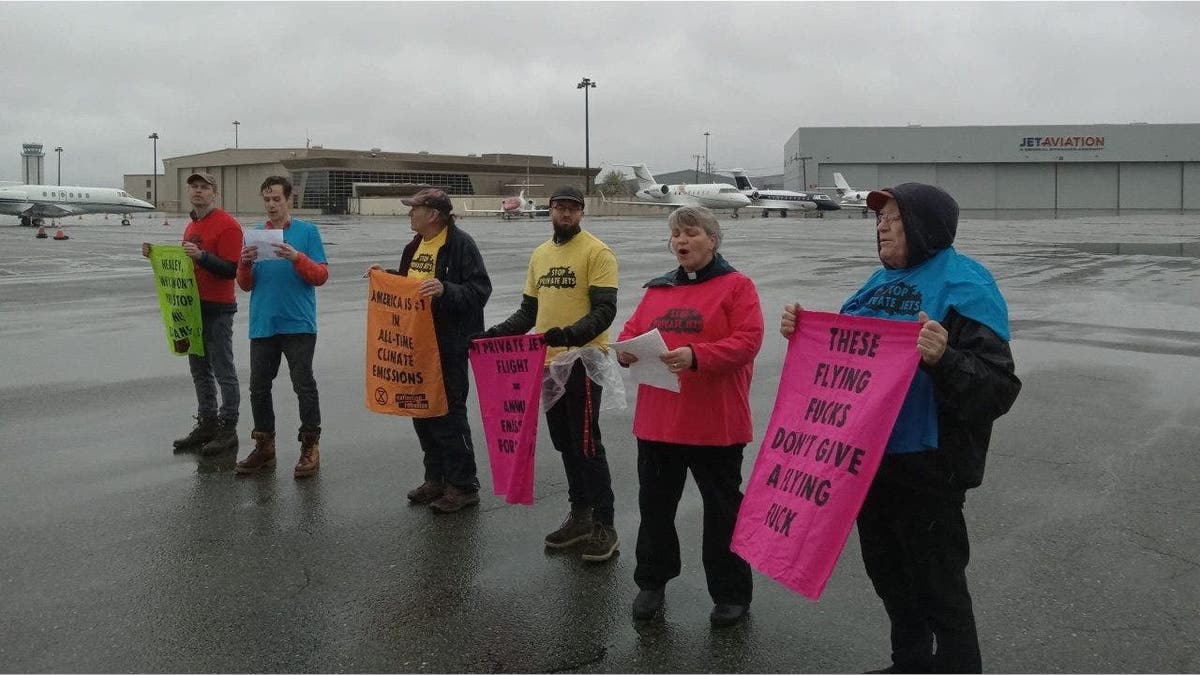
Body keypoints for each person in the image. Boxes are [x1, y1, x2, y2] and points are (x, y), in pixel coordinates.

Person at [780, 183, 1021, 673]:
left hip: (930, 466)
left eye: (893, 217)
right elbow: (848, 360)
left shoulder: (965, 284)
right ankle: (909, 662)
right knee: (889, 575)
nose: (881, 227)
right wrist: (804, 333)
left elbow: (998, 388)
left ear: (925, 225)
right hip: (867, 462)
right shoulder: (874, 283)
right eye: (878, 219)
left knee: (940, 586)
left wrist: (945, 358)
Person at [614, 206, 763, 628]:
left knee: (722, 514)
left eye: (691, 233)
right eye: (675, 234)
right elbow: (633, 331)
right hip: (659, 422)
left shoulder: (737, 286)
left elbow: (748, 341)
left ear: (712, 240)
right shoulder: (658, 290)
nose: (681, 241)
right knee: (655, 509)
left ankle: (731, 593)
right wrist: (626, 352)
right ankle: (652, 582)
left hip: (715, 423)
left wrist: (697, 355)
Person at [478, 185, 621, 562]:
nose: (566, 214)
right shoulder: (540, 255)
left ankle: (605, 525)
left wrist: (571, 335)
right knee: (565, 444)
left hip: (583, 363)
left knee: (587, 445)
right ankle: (580, 516)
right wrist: (494, 334)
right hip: (547, 366)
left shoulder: (597, 252)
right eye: (559, 208)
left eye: (573, 209)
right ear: (550, 211)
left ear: (582, 213)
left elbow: (605, 310)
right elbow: (529, 312)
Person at [366, 188, 492, 513]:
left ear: (433, 214)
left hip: (448, 345)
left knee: (449, 414)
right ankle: (435, 478)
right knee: (421, 412)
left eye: (414, 209)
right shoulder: (415, 246)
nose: (409, 214)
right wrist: (386, 277)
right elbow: (412, 286)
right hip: (417, 344)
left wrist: (445, 290)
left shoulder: (460, 245)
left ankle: (463, 485)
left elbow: (479, 291)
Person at [233, 176, 328, 479]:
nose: (272, 205)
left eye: (277, 199)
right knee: (258, 386)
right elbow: (246, 285)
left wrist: (297, 257)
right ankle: (264, 445)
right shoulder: (255, 235)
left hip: (298, 322)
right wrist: (244, 264)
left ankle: (310, 445)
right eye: (267, 199)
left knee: (303, 383)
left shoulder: (307, 232)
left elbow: (321, 276)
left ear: (289, 200)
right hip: (264, 322)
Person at [142, 172, 243, 456]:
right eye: (194, 187)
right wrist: (157, 255)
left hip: (218, 308)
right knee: (199, 370)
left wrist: (202, 257)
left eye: (204, 188)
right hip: (191, 308)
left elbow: (232, 269)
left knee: (223, 369)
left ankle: (228, 428)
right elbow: (186, 264)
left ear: (215, 193)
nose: (198, 191)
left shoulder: (228, 226)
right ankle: (207, 421)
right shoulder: (192, 225)